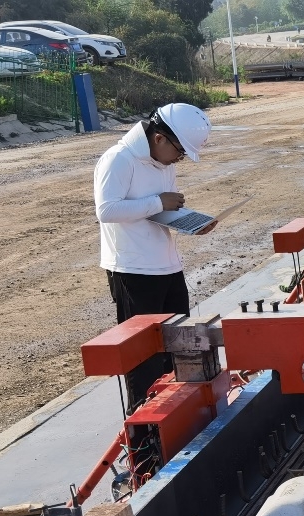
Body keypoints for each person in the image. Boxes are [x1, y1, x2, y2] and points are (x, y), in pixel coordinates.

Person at [93, 102, 214, 410]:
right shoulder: (119, 159)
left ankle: (181, 410)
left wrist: (192, 223)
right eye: (179, 151)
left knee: (179, 346)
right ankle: (146, 423)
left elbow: (164, 209)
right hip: (133, 270)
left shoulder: (163, 163)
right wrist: (159, 202)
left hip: (167, 265)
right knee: (144, 357)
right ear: (159, 138)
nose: (180, 158)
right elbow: (106, 210)